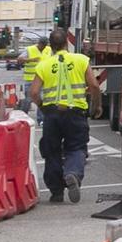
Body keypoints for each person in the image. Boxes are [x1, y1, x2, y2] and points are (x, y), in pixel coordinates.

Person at [33, 27, 98, 203]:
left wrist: (42, 106)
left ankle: (56, 192)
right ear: (66, 43)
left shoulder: (43, 64)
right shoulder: (81, 60)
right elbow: (94, 85)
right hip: (75, 112)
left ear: (51, 45)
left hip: (52, 114)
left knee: (51, 150)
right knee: (76, 147)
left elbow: (33, 92)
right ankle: (73, 174)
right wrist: (96, 106)